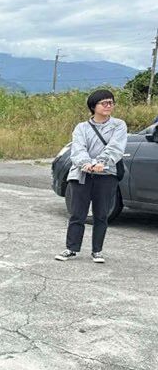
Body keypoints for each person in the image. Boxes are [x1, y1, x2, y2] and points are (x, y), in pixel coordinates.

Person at [55, 89, 126, 264]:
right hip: (82, 174)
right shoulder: (82, 127)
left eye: (111, 102)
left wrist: (102, 163)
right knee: (77, 213)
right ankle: (71, 248)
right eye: (104, 103)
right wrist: (86, 164)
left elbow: (116, 147)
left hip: (106, 174)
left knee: (101, 214)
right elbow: (78, 149)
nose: (109, 105)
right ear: (94, 106)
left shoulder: (119, 125)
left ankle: (97, 251)